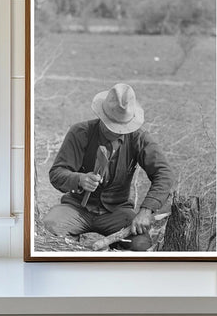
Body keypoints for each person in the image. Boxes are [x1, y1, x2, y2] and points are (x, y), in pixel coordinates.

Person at [43, 83, 174, 251]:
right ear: (102, 116)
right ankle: (72, 249)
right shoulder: (80, 132)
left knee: (140, 244)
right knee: (50, 228)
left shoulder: (139, 138)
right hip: (76, 208)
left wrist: (146, 210)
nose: (117, 131)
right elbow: (56, 173)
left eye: (122, 127)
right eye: (111, 125)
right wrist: (79, 179)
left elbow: (164, 173)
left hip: (117, 211)